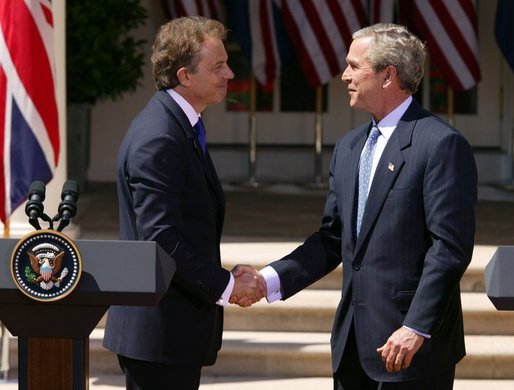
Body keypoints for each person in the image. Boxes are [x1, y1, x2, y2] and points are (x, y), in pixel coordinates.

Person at [232, 23, 477, 389]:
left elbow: (450, 249)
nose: (344, 75)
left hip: (411, 350)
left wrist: (416, 326)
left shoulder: (440, 144)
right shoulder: (349, 147)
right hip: (352, 349)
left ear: (387, 75)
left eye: (354, 65)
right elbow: (333, 239)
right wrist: (268, 280)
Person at [103, 16, 264, 390]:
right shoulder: (160, 136)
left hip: (171, 334)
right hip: (159, 334)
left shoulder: (177, 125)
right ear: (185, 76)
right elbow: (161, 236)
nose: (229, 73)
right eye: (218, 66)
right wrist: (225, 285)